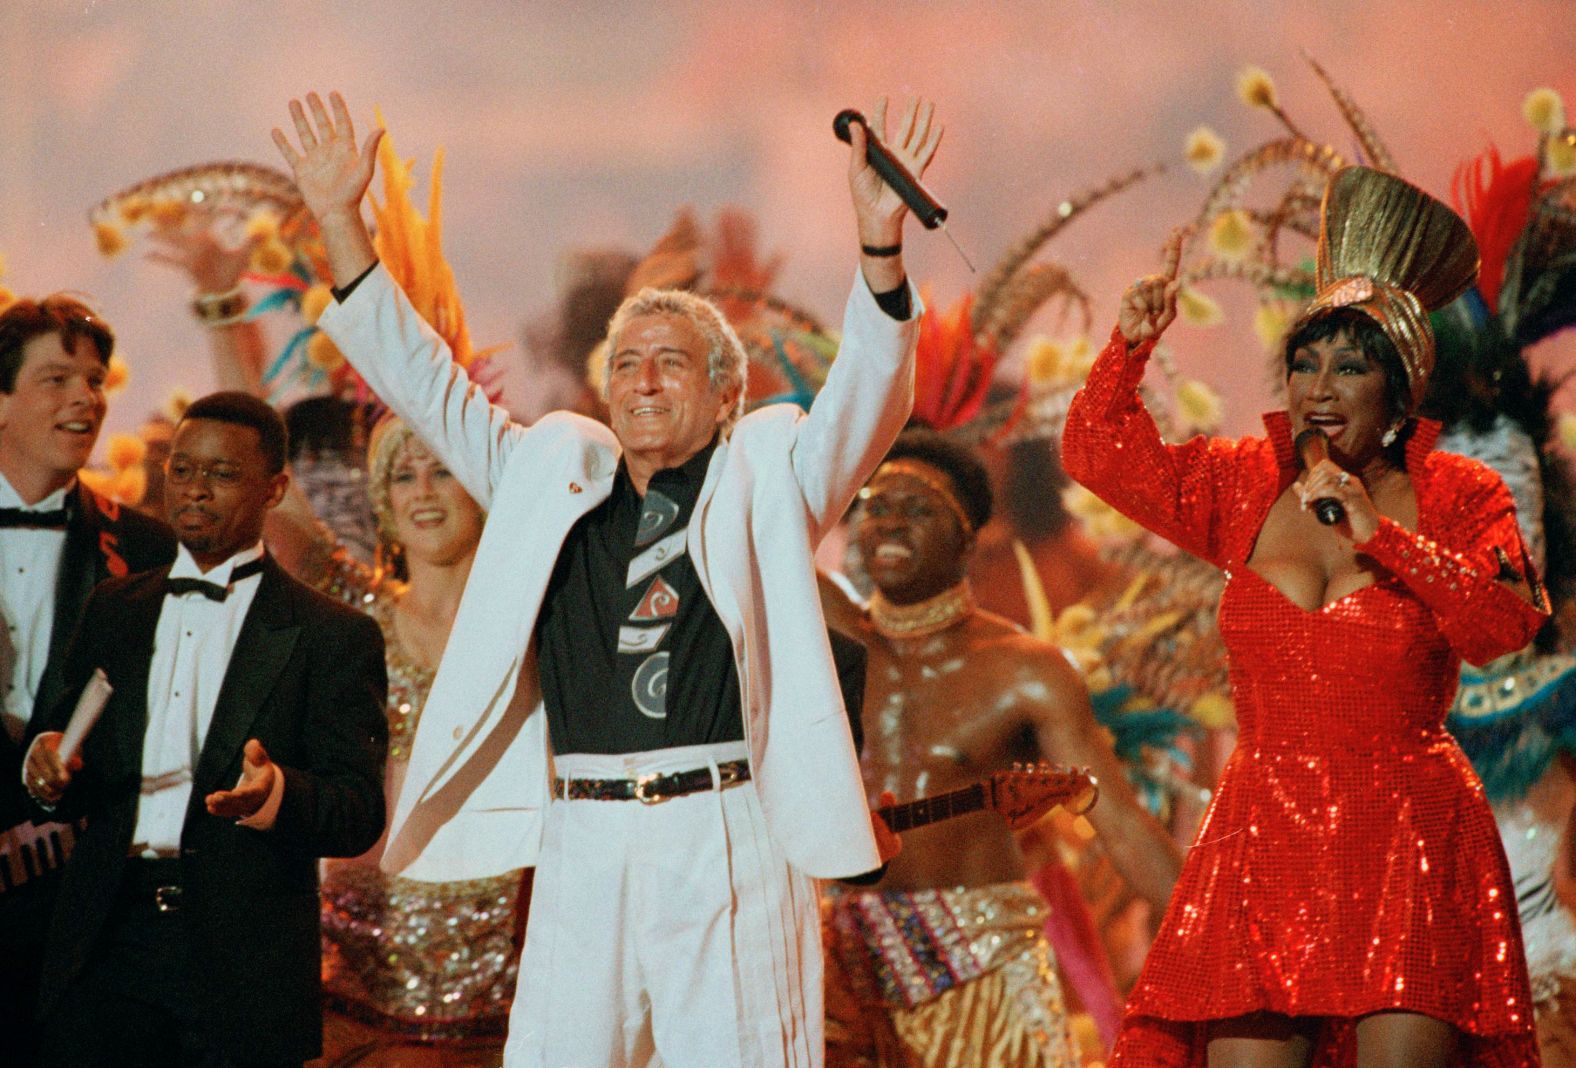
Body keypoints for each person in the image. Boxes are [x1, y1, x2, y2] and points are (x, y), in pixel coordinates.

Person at [271, 89, 931, 1066]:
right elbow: (426, 384)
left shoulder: (768, 479)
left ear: (723, 391)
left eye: (672, 362)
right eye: (626, 363)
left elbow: (868, 399)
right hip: (584, 836)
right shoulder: (548, 480)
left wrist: (879, 249)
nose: (644, 380)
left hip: (727, 829)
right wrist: (338, 219)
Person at [1063, 165, 1548, 1066]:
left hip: (1407, 835)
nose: (1318, 388)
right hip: (1264, 832)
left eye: (1350, 366)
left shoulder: (1458, 494)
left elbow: (1505, 625)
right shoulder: (1242, 481)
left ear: (1401, 395)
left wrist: (1388, 543)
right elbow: (1097, 451)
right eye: (1305, 362)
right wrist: (1128, 348)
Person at [22, 391, 388, 1067]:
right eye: (183, 469)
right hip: (105, 941)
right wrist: (43, 771)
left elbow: (358, 811)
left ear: (274, 489)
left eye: (221, 474)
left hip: (241, 962)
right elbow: (60, 750)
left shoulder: (332, 635)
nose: (194, 490)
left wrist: (275, 793)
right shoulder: (114, 608)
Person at [818, 428, 1181, 1067]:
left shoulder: (1025, 670)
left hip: (984, 967)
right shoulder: (829, 636)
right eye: (876, 506)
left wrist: (1222, 944)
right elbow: (749, 519)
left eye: (919, 509)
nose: (890, 523)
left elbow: (1119, 820)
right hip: (847, 969)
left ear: (971, 539)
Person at [0, 294, 176, 1065]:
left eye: (96, 380)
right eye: (57, 378)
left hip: (77, 922)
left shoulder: (145, 548)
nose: (86, 398)